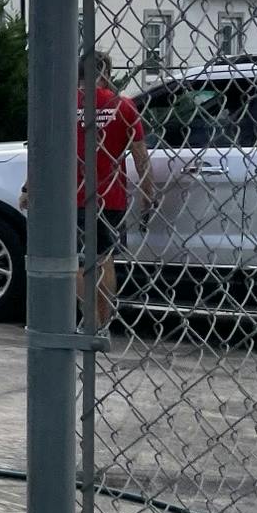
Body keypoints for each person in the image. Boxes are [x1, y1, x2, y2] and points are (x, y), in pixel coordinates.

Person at [74, 51, 153, 328]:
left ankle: (88, 319)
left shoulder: (65, 104)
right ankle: (103, 322)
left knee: (78, 260)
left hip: (72, 196)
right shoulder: (123, 106)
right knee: (105, 258)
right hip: (110, 196)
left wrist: (28, 188)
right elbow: (141, 157)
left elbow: (44, 150)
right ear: (105, 73)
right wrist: (148, 193)